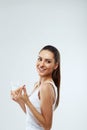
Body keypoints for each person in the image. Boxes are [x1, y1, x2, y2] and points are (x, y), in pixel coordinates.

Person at [11, 45, 61, 130]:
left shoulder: (46, 87)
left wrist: (27, 101)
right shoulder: (37, 85)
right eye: (40, 59)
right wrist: (20, 100)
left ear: (55, 65)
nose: (41, 64)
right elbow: (32, 117)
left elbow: (47, 126)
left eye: (48, 61)